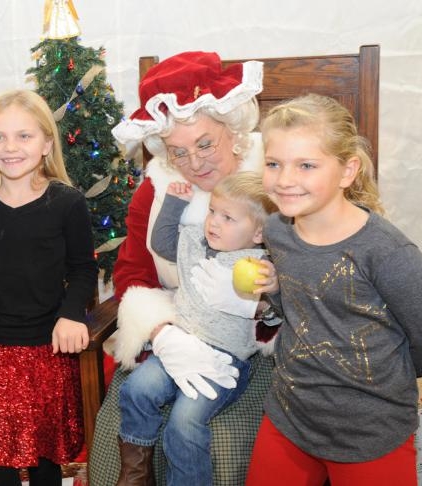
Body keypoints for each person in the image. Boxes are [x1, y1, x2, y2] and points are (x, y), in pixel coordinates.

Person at [89, 51, 279, 486]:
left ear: (233, 132)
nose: (195, 163)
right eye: (179, 152)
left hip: (251, 344)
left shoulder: (272, 185)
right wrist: (163, 334)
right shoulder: (156, 194)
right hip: (176, 329)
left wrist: (267, 301)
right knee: (125, 408)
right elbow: (132, 276)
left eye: (205, 144)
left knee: (223, 441)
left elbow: (310, 270)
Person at [246, 94, 422, 486]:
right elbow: (304, 306)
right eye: (274, 164)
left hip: (370, 435)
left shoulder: (388, 253)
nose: (285, 179)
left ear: (347, 171)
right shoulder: (276, 230)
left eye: (306, 165)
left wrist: (376, 381)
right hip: (290, 419)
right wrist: (274, 288)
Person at [0, 89, 98, 486]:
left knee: (45, 454)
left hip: (48, 348)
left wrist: (71, 314)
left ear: (47, 143)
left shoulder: (67, 203)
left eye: (24, 136)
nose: (10, 147)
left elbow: (83, 269)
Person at [118, 171, 280, 485]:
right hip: (177, 344)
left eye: (228, 218)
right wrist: (174, 205)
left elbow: (279, 312)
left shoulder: (262, 264)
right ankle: (136, 475)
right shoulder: (196, 241)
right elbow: (162, 243)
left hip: (223, 363)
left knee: (185, 420)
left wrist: (265, 299)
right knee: (136, 388)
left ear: (259, 232)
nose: (214, 222)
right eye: (212, 211)